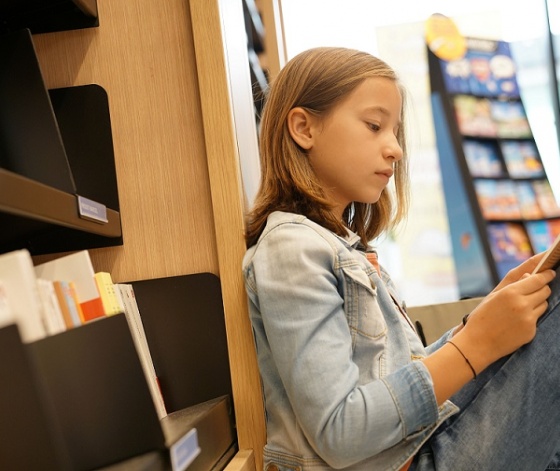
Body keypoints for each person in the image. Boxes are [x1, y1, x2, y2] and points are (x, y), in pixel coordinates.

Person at [242, 46, 560, 471]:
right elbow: (340, 430)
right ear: (303, 128)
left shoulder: (342, 247)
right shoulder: (291, 249)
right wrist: (475, 344)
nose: (395, 149)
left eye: (395, 132)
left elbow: (396, 380)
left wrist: (483, 320)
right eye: (375, 126)